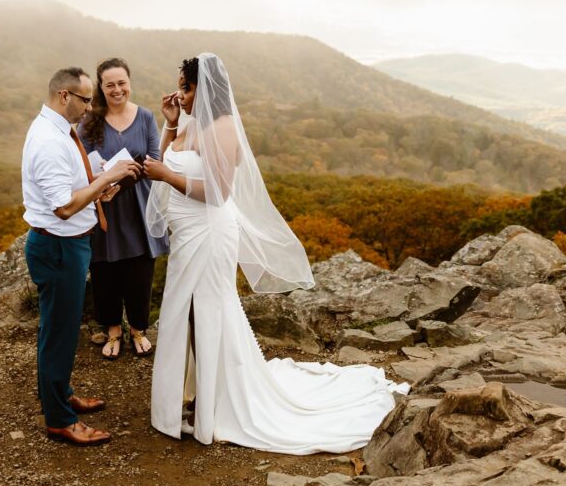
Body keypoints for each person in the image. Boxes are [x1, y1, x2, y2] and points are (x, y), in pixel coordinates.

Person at [142, 53, 409, 455]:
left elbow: (218, 193)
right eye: (181, 86)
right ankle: (195, 397)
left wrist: (165, 176)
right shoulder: (191, 123)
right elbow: (164, 162)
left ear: (205, 89)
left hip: (210, 233)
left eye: (186, 87)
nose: (181, 93)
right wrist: (169, 123)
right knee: (186, 312)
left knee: (209, 310)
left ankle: (215, 404)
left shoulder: (224, 127)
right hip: (186, 235)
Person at [22, 67, 141, 446]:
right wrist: (108, 178)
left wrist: (96, 186)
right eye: (86, 99)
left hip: (66, 244)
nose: (91, 107)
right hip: (58, 247)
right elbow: (63, 208)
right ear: (64, 96)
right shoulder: (49, 141)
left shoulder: (60, 130)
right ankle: (60, 419)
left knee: (59, 327)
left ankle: (58, 392)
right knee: (59, 332)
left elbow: (73, 189)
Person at [78, 58, 169, 360]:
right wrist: (104, 179)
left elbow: (154, 158)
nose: (117, 89)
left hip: (138, 201)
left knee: (139, 270)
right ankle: (113, 329)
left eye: (121, 83)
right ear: (101, 88)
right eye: (109, 85)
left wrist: (126, 177)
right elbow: (78, 161)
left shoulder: (144, 116)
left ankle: (138, 329)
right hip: (103, 204)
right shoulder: (89, 120)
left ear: (129, 83)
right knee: (104, 269)